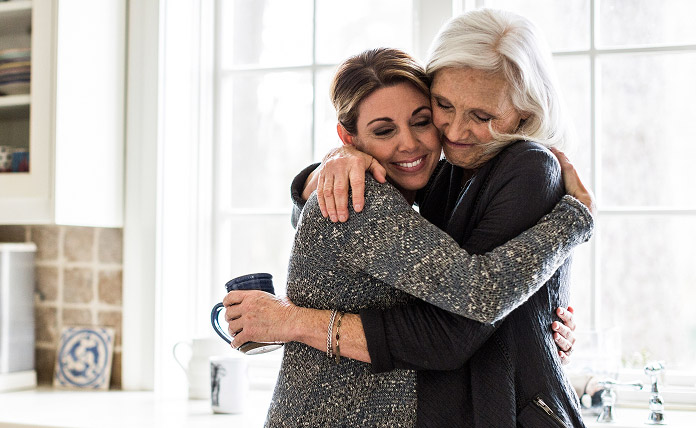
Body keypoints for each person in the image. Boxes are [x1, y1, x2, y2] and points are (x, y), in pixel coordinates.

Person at [226, 9, 592, 427]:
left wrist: (534, 317)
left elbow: (466, 303)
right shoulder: (400, 186)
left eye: (481, 116)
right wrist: (326, 168)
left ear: (524, 114)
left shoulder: (479, 172)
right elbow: (465, 301)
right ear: (349, 136)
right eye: (443, 106)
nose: (454, 130)